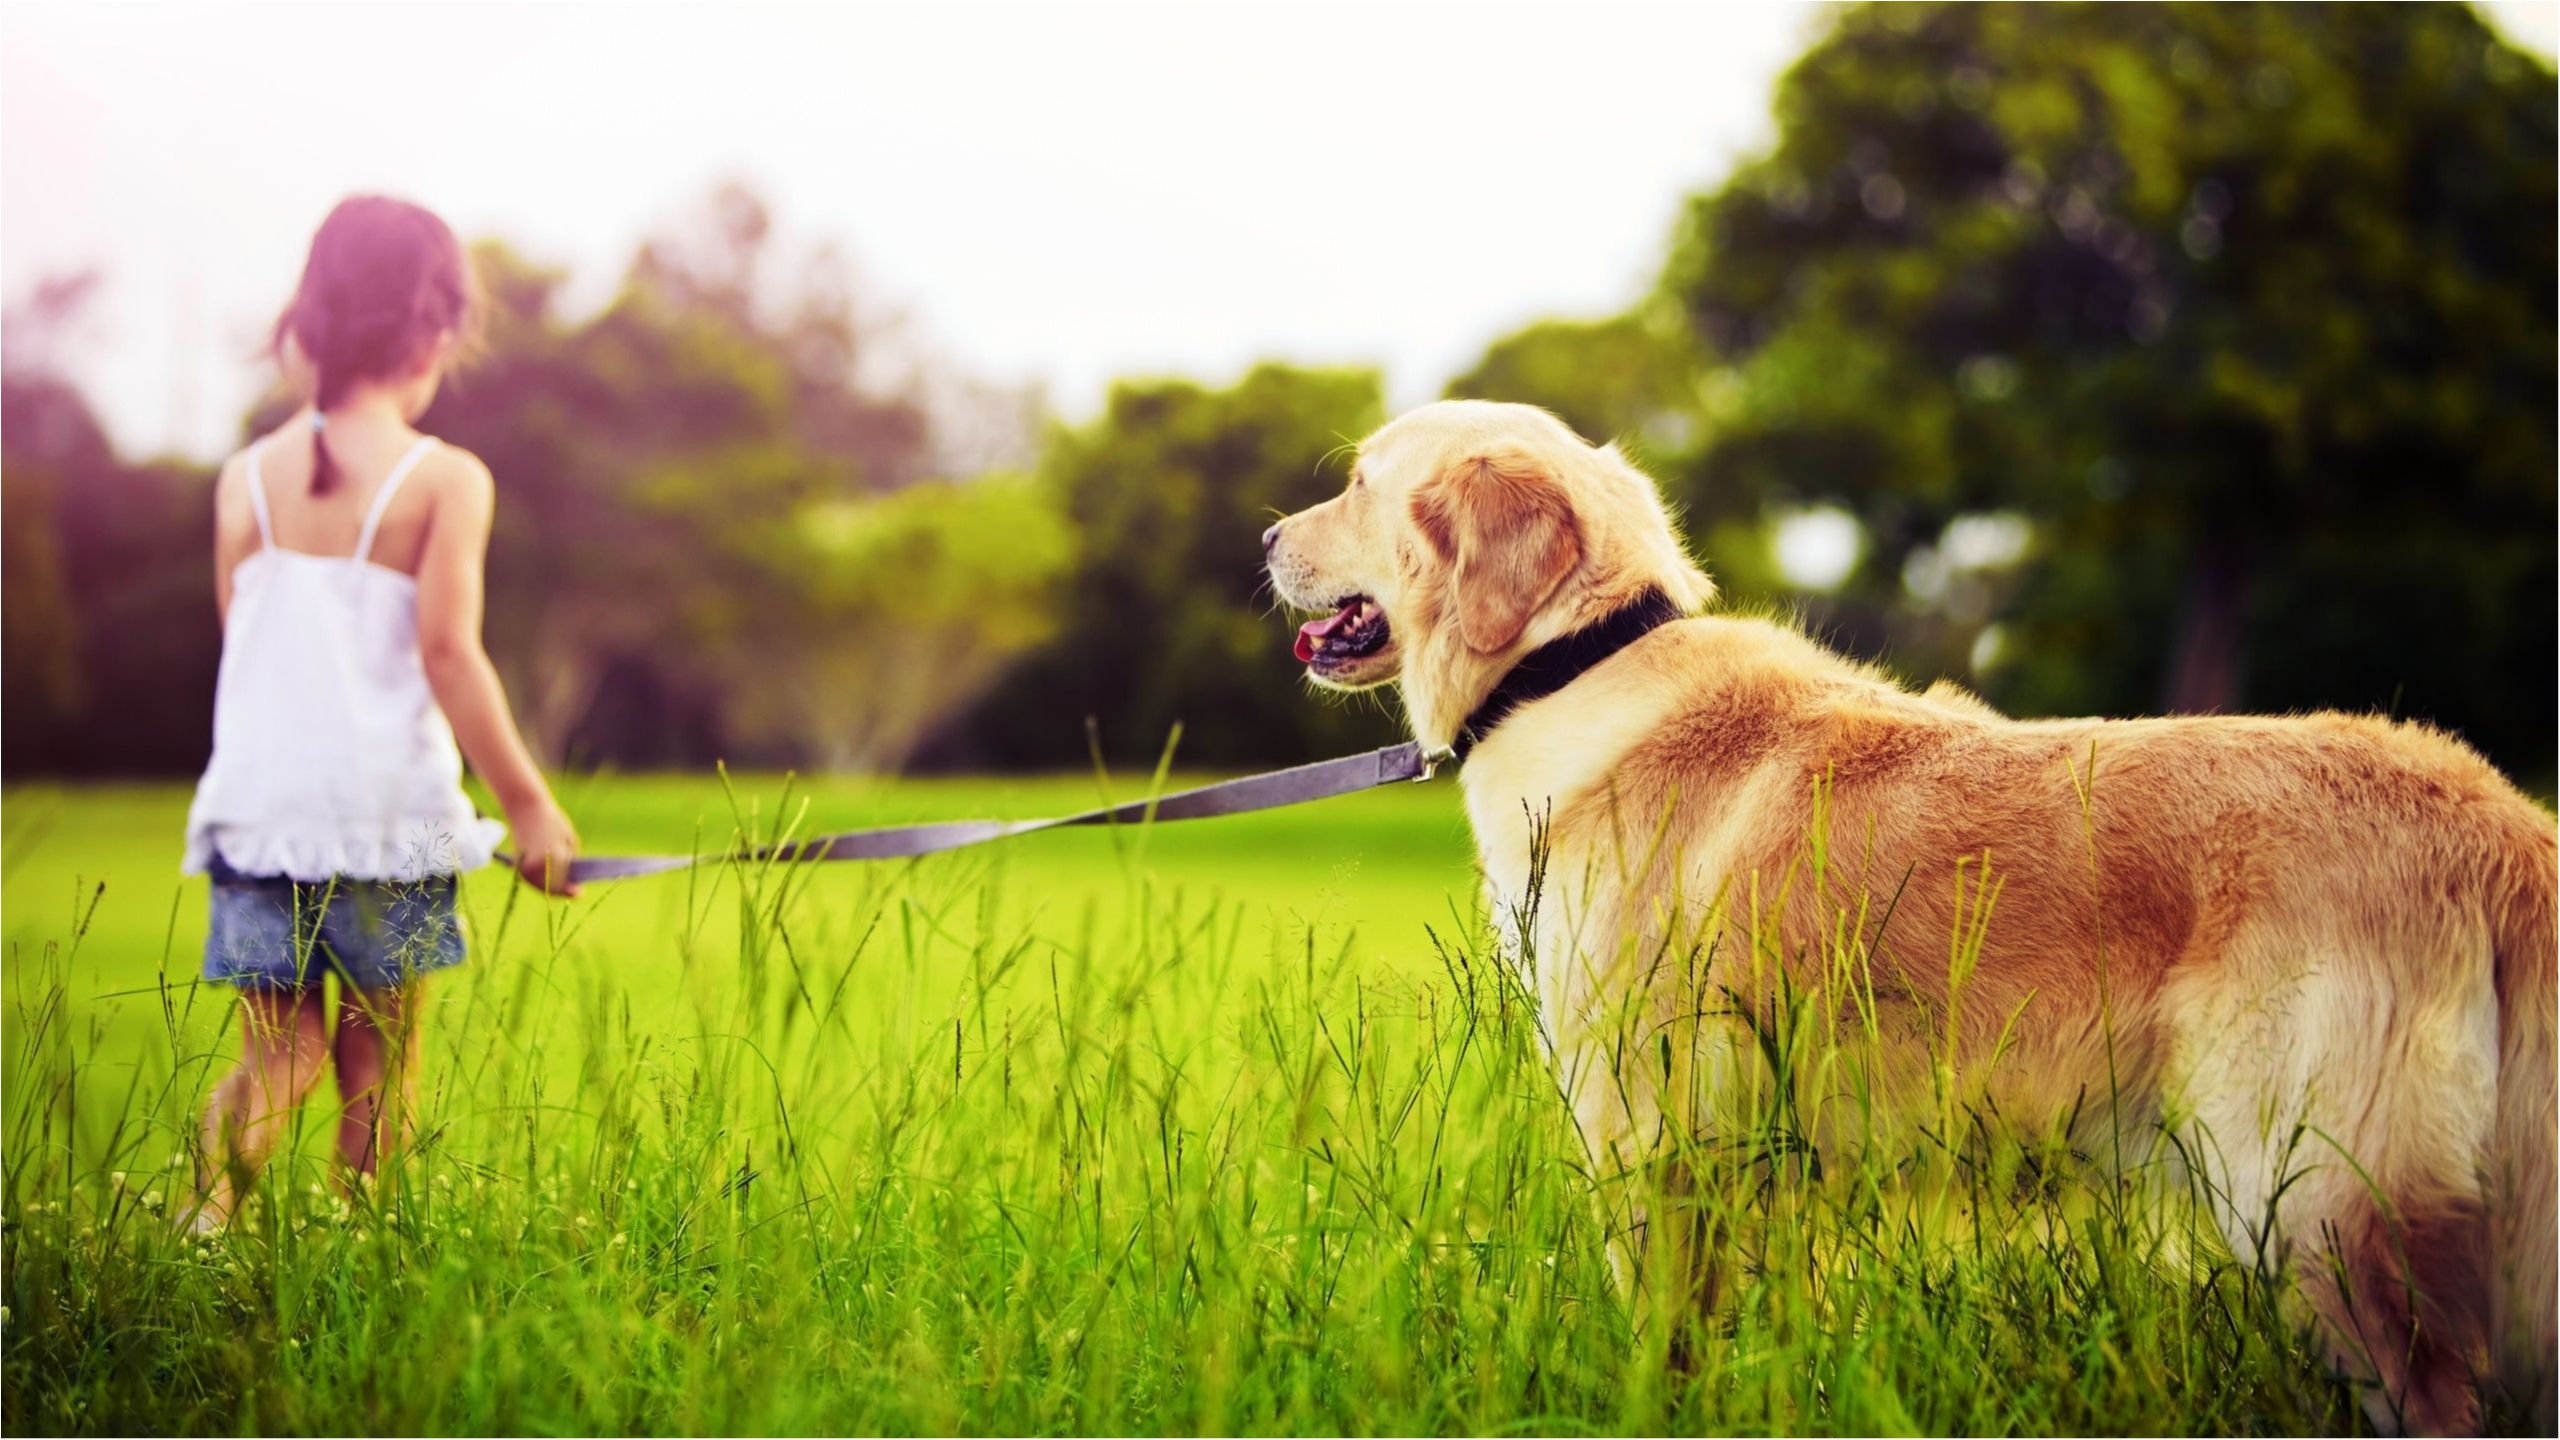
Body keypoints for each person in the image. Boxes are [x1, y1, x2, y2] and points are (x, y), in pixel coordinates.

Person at [183, 195, 580, 1228]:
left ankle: (201, 1226)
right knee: (379, 1065)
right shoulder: (444, 479)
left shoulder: (243, 482)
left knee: (279, 1056)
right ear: (436, 335)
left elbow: (247, 648)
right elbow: (450, 654)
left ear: (306, 327)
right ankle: (366, 1254)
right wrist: (528, 808)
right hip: (386, 827)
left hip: (260, 819)